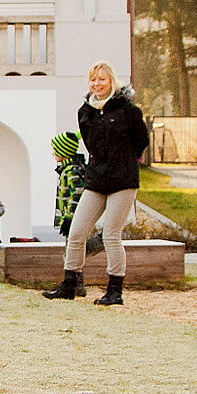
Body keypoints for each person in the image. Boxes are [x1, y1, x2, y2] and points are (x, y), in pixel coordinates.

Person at [43, 60, 149, 306]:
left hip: (123, 180)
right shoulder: (85, 112)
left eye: (102, 79)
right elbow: (91, 144)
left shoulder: (127, 110)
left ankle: (115, 290)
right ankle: (69, 284)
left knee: (111, 233)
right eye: (93, 79)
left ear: (111, 81)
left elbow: (140, 140)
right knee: (77, 232)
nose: (97, 84)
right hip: (97, 179)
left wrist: (124, 160)